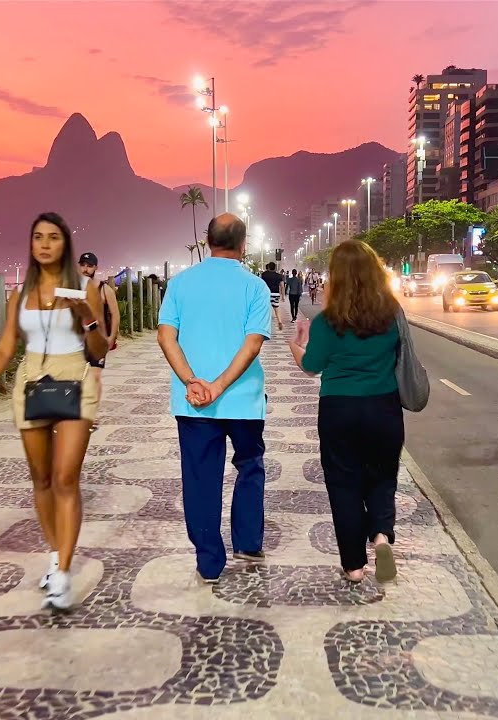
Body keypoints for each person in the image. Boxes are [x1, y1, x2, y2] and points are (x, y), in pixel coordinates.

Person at [0, 212, 109, 610]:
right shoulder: (21, 294)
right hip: (32, 379)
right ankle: (55, 555)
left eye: (53, 237)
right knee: (41, 479)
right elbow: (5, 346)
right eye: (38, 237)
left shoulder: (86, 289)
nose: (45, 244)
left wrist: (87, 319)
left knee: (66, 478)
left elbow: (99, 351)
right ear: (31, 245)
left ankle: (64, 572)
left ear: (64, 243)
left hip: (75, 378)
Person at [157, 214, 271, 584]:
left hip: (193, 402)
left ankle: (209, 561)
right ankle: (248, 542)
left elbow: (165, 337)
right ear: (244, 244)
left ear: (207, 241)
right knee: (250, 465)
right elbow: (253, 343)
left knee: (201, 479)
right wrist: (221, 386)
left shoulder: (180, 283)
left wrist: (193, 381)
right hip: (243, 401)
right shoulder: (254, 287)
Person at [288, 241, 402, 584]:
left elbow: (310, 366)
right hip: (384, 407)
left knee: (344, 485)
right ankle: (381, 534)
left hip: (339, 410)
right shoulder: (392, 315)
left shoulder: (327, 322)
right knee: (382, 476)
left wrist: (298, 341)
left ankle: (354, 566)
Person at [78, 252, 120, 431]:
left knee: (95, 376)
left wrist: (112, 337)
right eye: (83, 265)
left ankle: (92, 414)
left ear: (95, 267)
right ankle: (79, 411)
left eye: (89, 265)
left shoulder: (104, 289)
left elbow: (115, 314)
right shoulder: (74, 288)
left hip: (99, 340)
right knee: (78, 377)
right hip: (78, 340)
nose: (86, 269)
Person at [260, 262, 286, 331]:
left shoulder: (264, 274)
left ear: (268, 267)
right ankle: (279, 322)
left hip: (266, 294)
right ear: (275, 268)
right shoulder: (279, 276)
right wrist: (283, 296)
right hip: (276, 294)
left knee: (265, 310)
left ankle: (264, 325)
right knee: (276, 309)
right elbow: (282, 286)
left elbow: (260, 284)